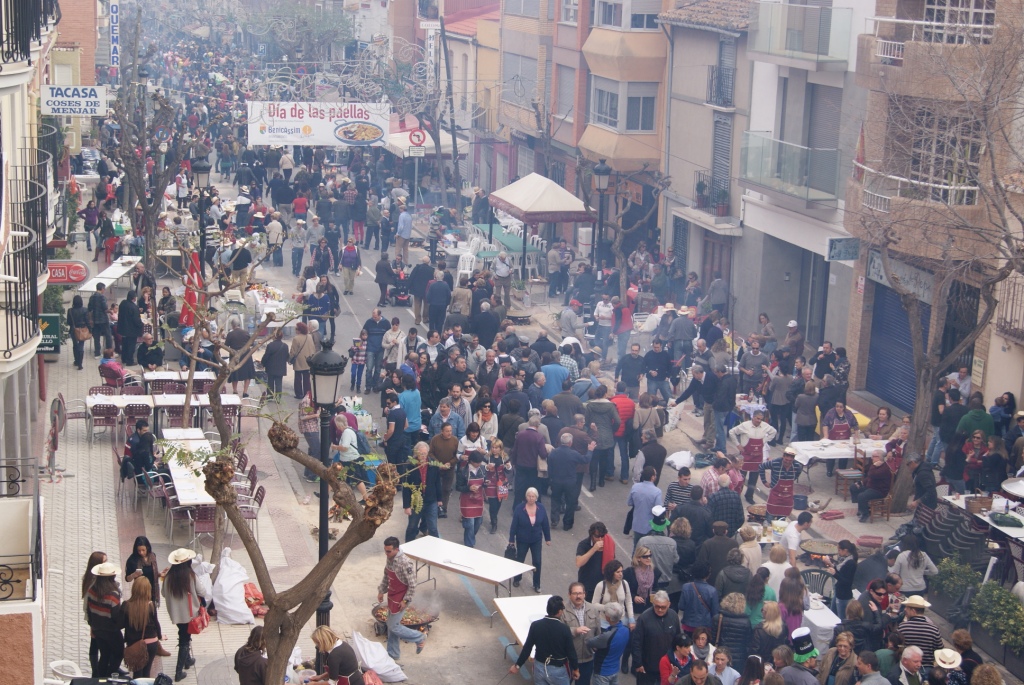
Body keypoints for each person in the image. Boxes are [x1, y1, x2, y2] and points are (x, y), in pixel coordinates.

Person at [510, 595, 579, 685]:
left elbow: (527, 648)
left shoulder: (535, 625)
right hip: (557, 670)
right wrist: (575, 669)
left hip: (539, 667)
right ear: (559, 611)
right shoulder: (564, 629)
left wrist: (517, 665)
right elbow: (571, 652)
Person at [377, 537, 427, 659]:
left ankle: (419, 637)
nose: (386, 553)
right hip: (392, 595)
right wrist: (381, 591)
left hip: (401, 598)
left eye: (389, 551)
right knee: (391, 626)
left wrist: (405, 600)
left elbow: (413, 584)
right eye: (385, 550)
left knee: (393, 626)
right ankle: (393, 654)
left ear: (396, 549)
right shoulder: (390, 558)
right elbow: (386, 575)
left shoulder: (405, 563)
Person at [162, 548, 200, 682]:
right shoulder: (190, 576)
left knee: (184, 634)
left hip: (175, 615)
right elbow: (202, 590)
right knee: (185, 638)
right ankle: (179, 672)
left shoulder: (169, 577)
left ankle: (187, 660)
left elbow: (163, 593)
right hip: (189, 614)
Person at [633, 591, 682, 685]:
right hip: (648, 666)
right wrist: (638, 663)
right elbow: (636, 642)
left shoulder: (673, 616)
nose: (660, 609)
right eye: (657, 606)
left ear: (669, 604)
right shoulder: (644, 618)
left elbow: (677, 639)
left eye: (663, 607)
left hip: (667, 665)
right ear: (653, 604)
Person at [549, 432, 595, 531]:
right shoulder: (573, 454)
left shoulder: (554, 452)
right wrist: (590, 450)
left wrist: (551, 479)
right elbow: (586, 459)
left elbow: (550, 467)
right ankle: (567, 524)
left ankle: (554, 519)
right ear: (570, 442)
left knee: (555, 500)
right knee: (570, 502)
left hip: (556, 480)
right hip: (570, 482)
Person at [87, 561, 124, 677]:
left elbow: (89, 611)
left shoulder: (91, 589)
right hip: (111, 631)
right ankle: (110, 675)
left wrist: (92, 626)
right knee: (118, 653)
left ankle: (101, 678)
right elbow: (116, 617)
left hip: (97, 630)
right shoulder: (113, 595)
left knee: (104, 655)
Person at [510, 487, 551, 592]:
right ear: (526, 496)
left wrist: (547, 538)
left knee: (537, 561)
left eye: (533, 496)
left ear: (536, 497)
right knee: (520, 560)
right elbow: (514, 525)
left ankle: (537, 584)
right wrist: (511, 539)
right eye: (529, 496)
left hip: (536, 540)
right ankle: (517, 579)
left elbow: (545, 524)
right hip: (522, 539)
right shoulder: (519, 508)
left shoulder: (541, 508)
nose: (531, 498)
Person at [120, 575, 163, 679]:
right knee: (147, 672)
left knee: (137, 674)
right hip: (151, 643)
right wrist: (160, 636)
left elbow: (120, 625)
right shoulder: (151, 605)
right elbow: (156, 623)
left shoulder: (126, 605)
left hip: (134, 643)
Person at [730, 411, 777, 504]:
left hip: (757, 456)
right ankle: (737, 495)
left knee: (754, 478)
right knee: (741, 477)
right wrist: (738, 445)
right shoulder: (745, 425)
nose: (759, 421)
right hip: (745, 455)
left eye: (761, 419)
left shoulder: (765, 426)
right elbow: (731, 432)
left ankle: (749, 496)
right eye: (757, 418)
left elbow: (774, 432)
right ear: (753, 417)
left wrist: (765, 441)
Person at [562, 581, 603, 685]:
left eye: (580, 593)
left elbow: (598, 631)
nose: (578, 596)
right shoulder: (563, 611)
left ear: (584, 594)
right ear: (569, 594)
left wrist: (596, 645)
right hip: (569, 659)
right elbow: (560, 632)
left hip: (587, 659)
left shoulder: (593, 609)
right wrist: (575, 630)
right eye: (575, 593)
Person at [403, 442, 442, 541]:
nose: (423, 456)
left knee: (433, 527)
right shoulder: (410, 465)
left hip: (431, 500)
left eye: (425, 453)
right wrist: (406, 506)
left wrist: (439, 499)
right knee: (412, 526)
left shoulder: (433, 464)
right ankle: (408, 546)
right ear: (416, 453)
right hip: (416, 501)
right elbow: (406, 487)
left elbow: (437, 482)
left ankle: (435, 546)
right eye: (421, 453)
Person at [586, 602, 631, 685]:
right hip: (615, 670)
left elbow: (589, 642)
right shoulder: (626, 630)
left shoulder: (607, 636)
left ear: (608, 618)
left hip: (602, 672)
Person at [760, 449, 805, 525]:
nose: (788, 462)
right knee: (769, 520)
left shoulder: (797, 466)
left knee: (781, 522)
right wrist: (764, 482)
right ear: (783, 456)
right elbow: (761, 467)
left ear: (793, 459)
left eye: (790, 460)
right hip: (775, 496)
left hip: (787, 498)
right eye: (786, 460)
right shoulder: (775, 463)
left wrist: (793, 478)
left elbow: (798, 472)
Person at [896, 597, 942, 667]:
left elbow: (897, 647)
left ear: (913, 611)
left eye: (907, 607)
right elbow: (939, 650)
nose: (905, 609)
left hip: (908, 667)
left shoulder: (902, 627)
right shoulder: (934, 629)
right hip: (928, 667)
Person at [850, 450, 893, 523]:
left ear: (879, 458)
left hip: (879, 490)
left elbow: (872, 474)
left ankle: (865, 514)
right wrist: (861, 482)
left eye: (873, 456)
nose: (871, 458)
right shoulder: (876, 466)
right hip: (871, 487)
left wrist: (873, 466)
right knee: (854, 487)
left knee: (862, 496)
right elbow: (869, 478)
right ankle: (862, 507)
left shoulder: (884, 468)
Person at [455, 451, 488, 547]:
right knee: (470, 524)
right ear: (471, 461)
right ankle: (469, 545)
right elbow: (458, 487)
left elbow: (484, 483)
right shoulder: (463, 471)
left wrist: (486, 483)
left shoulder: (482, 469)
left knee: (478, 522)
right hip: (467, 500)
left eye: (480, 462)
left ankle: (469, 538)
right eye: (477, 463)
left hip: (478, 499)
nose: (479, 464)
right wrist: (469, 488)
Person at [678, 561, 719, 634]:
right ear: (707, 574)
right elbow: (715, 612)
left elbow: (681, 606)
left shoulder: (685, 587)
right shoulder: (712, 591)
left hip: (688, 625)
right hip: (705, 627)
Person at [629, 468, 665, 546]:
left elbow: (630, 502)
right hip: (649, 526)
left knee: (636, 547)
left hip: (637, 524)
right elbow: (659, 510)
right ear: (652, 477)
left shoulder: (635, 487)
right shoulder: (657, 492)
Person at [577, 522, 611, 600]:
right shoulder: (583, 544)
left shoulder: (608, 544)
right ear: (591, 535)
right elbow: (579, 563)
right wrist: (594, 549)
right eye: (597, 536)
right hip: (587, 585)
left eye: (602, 536)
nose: (600, 539)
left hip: (603, 585)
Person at [716, 595, 753, 666]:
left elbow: (713, 638)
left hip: (720, 656)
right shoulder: (746, 622)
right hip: (739, 657)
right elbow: (748, 642)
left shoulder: (719, 618)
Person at [125, 536, 161, 606]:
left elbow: (153, 573)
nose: (141, 552)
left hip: (152, 590)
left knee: (152, 609)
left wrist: (159, 574)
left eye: (143, 550)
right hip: (140, 592)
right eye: (139, 550)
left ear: (147, 548)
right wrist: (134, 575)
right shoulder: (132, 560)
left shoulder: (152, 556)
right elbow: (127, 579)